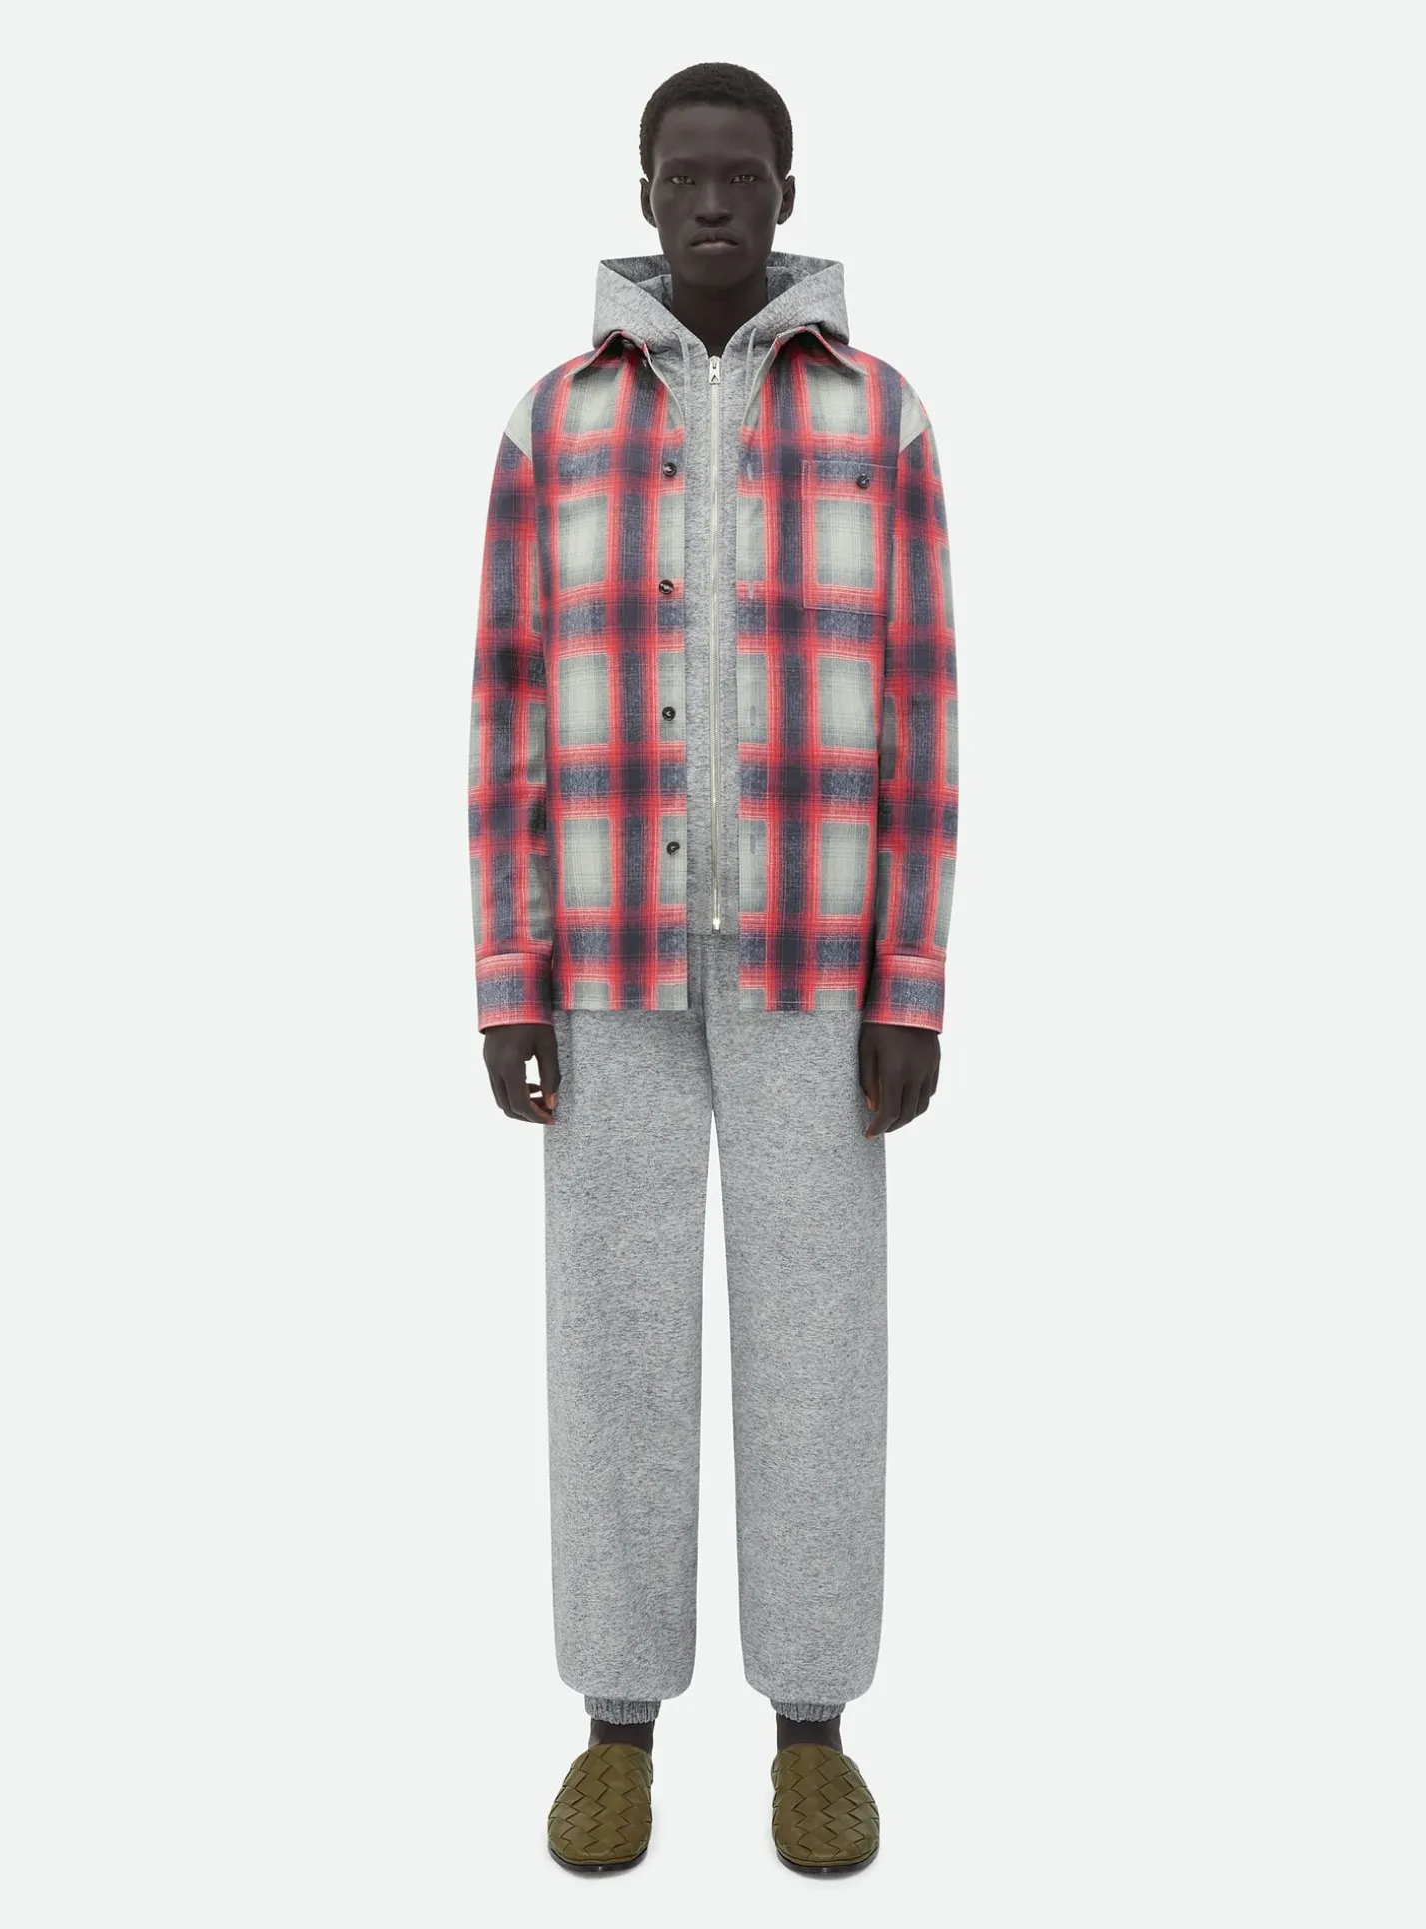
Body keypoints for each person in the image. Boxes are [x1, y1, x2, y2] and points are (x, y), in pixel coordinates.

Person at [465, 59, 959, 1877]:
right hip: (603, 963)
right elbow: (505, 707)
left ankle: (812, 1725)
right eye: (684, 174)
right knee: (610, 1351)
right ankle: (615, 1723)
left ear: (788, 192)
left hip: (818, 969)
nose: (713, 201)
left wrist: (908, 983)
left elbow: (924, 710)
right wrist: (507, 972)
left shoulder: (880, 417)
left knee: (818, 1351)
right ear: (644, 191)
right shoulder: (552, 422)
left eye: (744, 174)